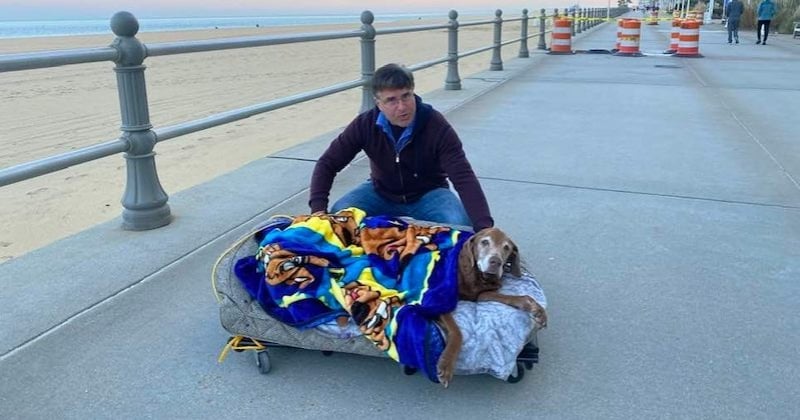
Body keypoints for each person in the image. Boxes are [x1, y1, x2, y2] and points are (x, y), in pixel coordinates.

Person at [308, 63, 494, 232]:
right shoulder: (365, 125)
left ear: (413, 92)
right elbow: (328, 163)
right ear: (378, 103)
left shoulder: (436, 126)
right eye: (391, 100)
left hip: (429, 193)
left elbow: (463, 176)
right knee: (339, 218)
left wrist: (484, 225)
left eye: (406, 96)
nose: (402, 107)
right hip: (380, 192)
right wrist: (318, 210)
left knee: (460, 225)